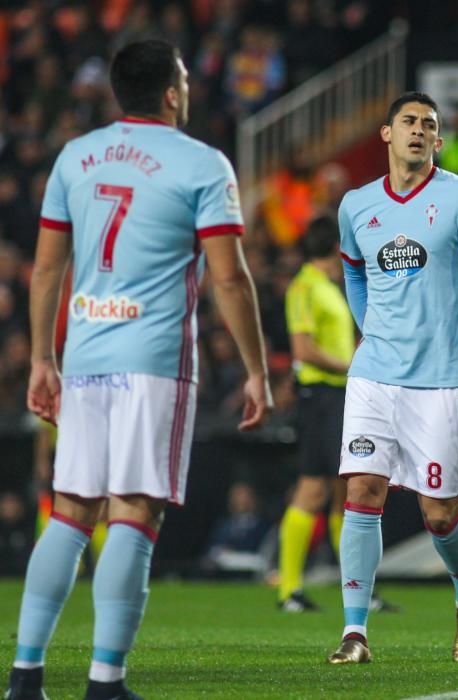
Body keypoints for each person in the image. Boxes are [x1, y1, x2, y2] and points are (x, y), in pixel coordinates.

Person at [4, 39, 272, 700]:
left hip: (86, 356)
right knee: (134, 515)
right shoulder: (203, 164)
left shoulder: (76, 156)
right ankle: (104, 682)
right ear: (174, 93)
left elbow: (45, 268)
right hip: (153, 363)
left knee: (70, 513)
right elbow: (230, 280)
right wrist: (257, 370)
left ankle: (25, 676)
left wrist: (42, 357)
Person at [327, 92, 458, 665]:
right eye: (408, 121)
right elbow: (354, 276)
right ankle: (355, 633)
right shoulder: (356, 205)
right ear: (386, 133)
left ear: (438, 141)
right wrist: (371, 330)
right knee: (361, 492)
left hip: (443, 379)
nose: (418, 130)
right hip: (375, 375)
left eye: (429, 125)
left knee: (439, 513)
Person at [277, 213, 355, 612]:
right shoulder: (305, 287)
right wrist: (351, 365)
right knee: (314, 488)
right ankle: (289, 589)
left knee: (346, 490)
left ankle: (356, 590)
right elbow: (303, 350)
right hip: (320, 396)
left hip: (338, 395)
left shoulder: (326, 286)